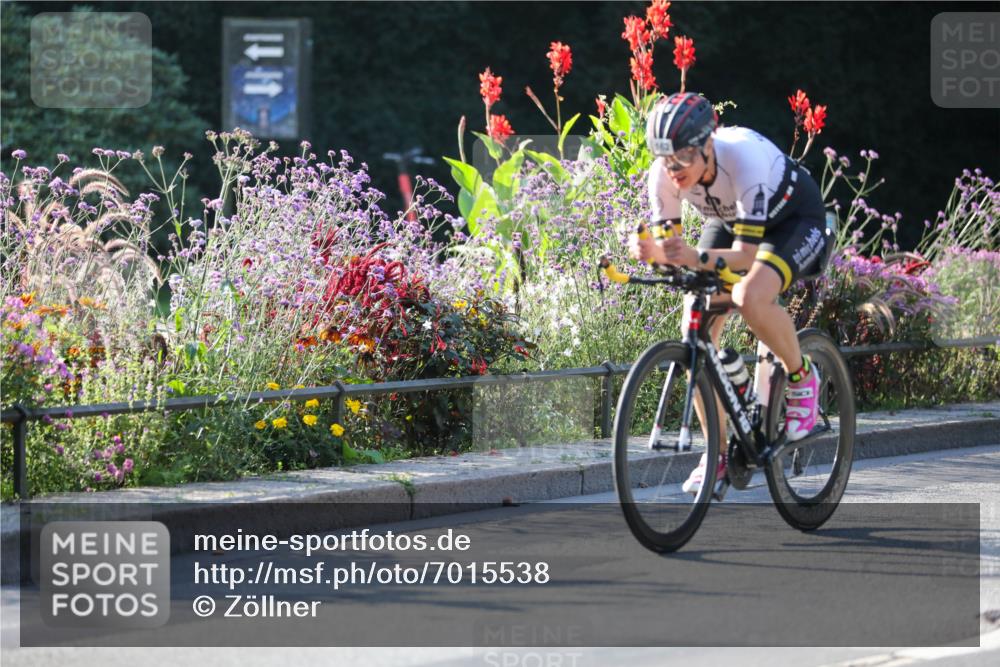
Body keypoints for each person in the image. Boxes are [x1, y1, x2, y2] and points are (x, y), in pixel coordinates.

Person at [629, 91, 831, 495]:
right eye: (665, 158)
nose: (674, 169)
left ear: (708, 143)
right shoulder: (663, 177)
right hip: (732, 221)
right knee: (694, 317)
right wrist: (654, 253)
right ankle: (718, 452)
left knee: (751, 296)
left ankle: (801, 378)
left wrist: (689, 255)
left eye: (684, 156)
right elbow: (676, 257)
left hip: (792, 220)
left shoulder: (742, 159)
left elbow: (747, 256)